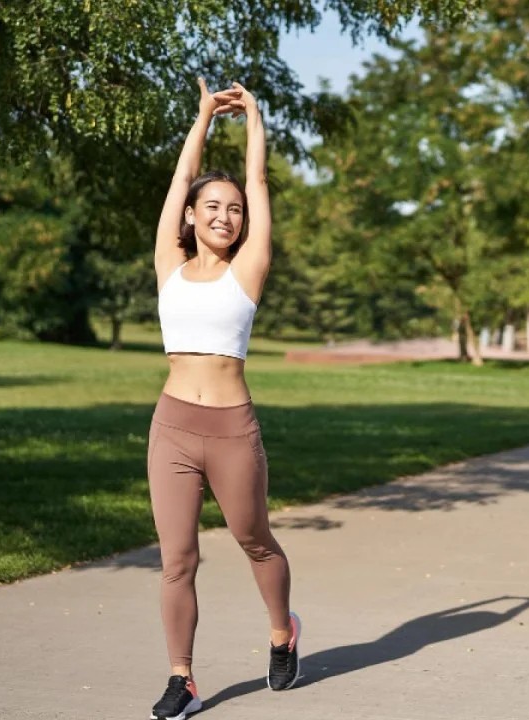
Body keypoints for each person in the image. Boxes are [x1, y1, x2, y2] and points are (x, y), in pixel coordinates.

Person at [146, 78, 299, 720]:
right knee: (177, 559)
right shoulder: (168, 264)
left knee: (253, 536)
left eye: (233, 209)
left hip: (232, 429)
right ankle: (182, 678)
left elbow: (259, 184)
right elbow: (181, 177)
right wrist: (204, 117)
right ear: (191, 214)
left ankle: (282, 630)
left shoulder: (249, 269)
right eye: (212, 206)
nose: (224, 215)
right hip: (173, 426)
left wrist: (255, 117)